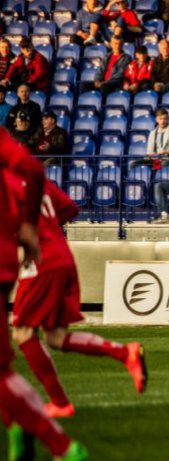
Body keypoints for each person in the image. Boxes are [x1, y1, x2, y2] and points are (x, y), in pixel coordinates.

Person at [9, 175, 147, 419]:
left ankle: (60, 403)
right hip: (62, 256)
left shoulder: (6, 184)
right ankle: (126, 353)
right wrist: (49, 231)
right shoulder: (33, 179)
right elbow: (71, 208)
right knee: (55, 337)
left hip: (41, 262)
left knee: (23, 332)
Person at [0, 126, 89, 461]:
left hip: (27, 262)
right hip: (13, 259)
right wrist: (28, 229)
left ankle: (41, 430)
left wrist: (29, 228)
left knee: (25, 335)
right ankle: (29, 428)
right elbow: (36, 174)